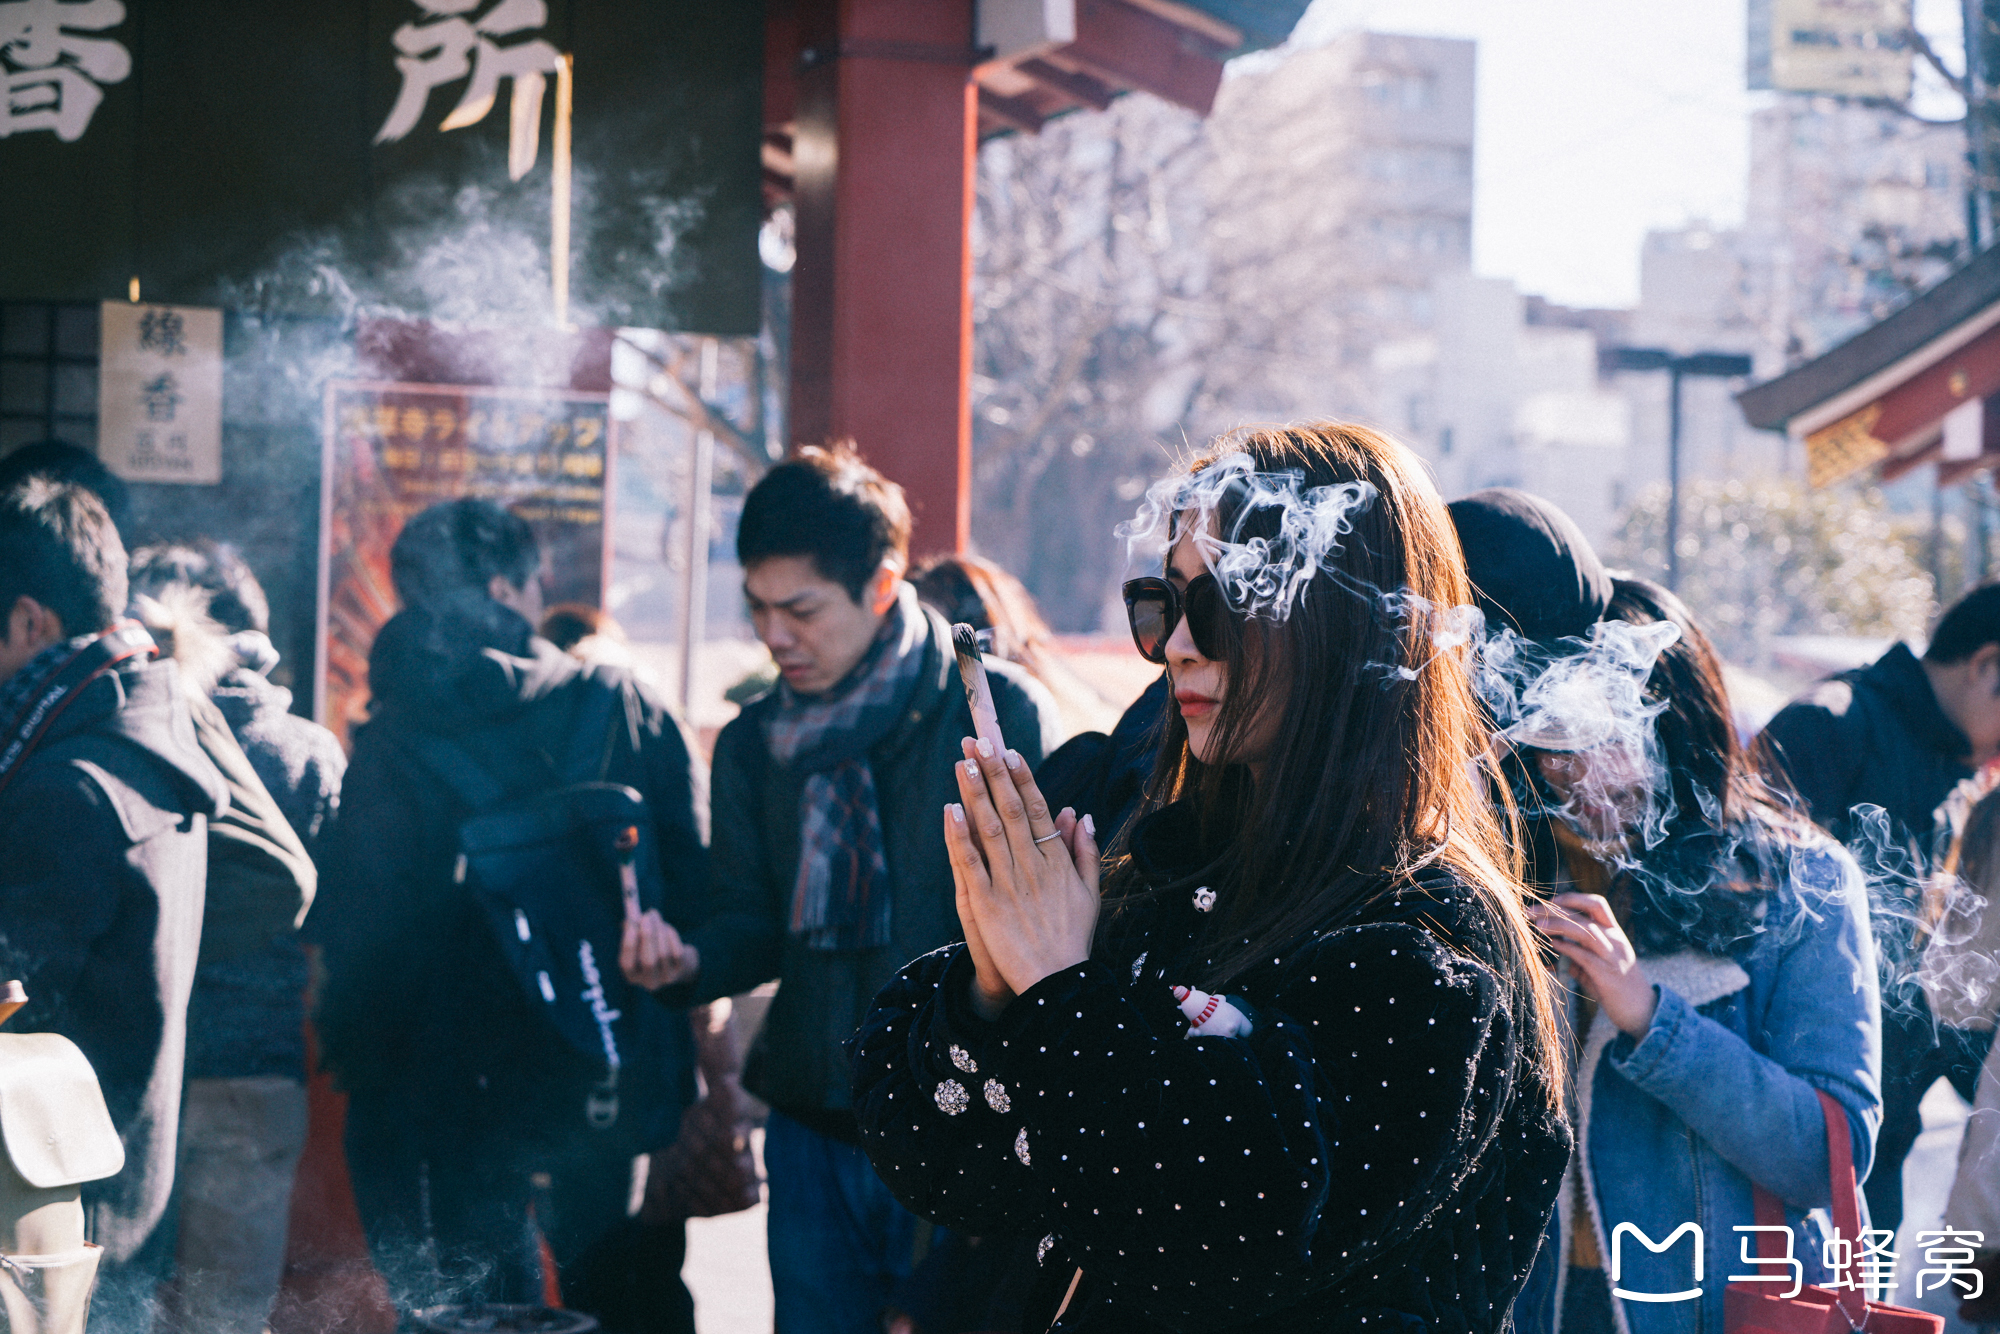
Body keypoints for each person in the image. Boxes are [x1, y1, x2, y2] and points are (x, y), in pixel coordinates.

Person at [846, 424, 1570, 1330]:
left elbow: (1223, 1234)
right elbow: (952, 1169)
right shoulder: (1177, 870)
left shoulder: (1426, 943)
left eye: (1225, 606)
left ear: (1344, 623)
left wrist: (1059, 994)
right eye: (1163, 604)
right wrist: (995, 991)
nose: (1179, 646)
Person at [621, 445, 1060, 1334]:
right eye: (758, 609)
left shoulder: (987, 713)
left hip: (961, 1126)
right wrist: (686, 960)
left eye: (801, 610)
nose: (775, 635)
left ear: (883, 585)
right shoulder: (754, 744)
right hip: (816, 1122)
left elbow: (1042, 928)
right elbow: (750, 921)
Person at [314, 498, 708, 1333]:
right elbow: (701, 891)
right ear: (505, 585)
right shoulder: (620, 702)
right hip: (601, 1072)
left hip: (442, 1095)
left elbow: (358, 939)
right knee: (625, 1298)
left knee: (476, 1310)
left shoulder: (385, 742)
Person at [1491, 577, 1881, 1334]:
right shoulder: (1516, 866)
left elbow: (1829, 1150)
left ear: (1674, 723)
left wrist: (1651, 1020)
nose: (1569, 770)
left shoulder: (1802, 879)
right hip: (1532, 1304)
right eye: (1552, 735)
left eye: (1602, 733)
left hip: (1703, 1308)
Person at [0, 477, 226, 1321]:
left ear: (30, 622)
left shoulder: (68, 784)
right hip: (121, 1176)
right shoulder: (148, 724)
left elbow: (12, 1000)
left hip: (48, 1200)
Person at [130, 541, 344, 1334]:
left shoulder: (132, 730)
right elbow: (334, 923)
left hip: (134, 1068)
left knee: (109, 1306)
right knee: (226, 1319)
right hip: (255, 1071)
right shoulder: (308, 752)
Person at [1761, 583, 2000, 1235]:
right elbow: (1747, 931)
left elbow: (1936, 986)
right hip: (1798, 1153)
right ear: (1986, 665)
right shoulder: (1830, 723)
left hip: (1880, 1150)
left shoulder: (1957, 769)